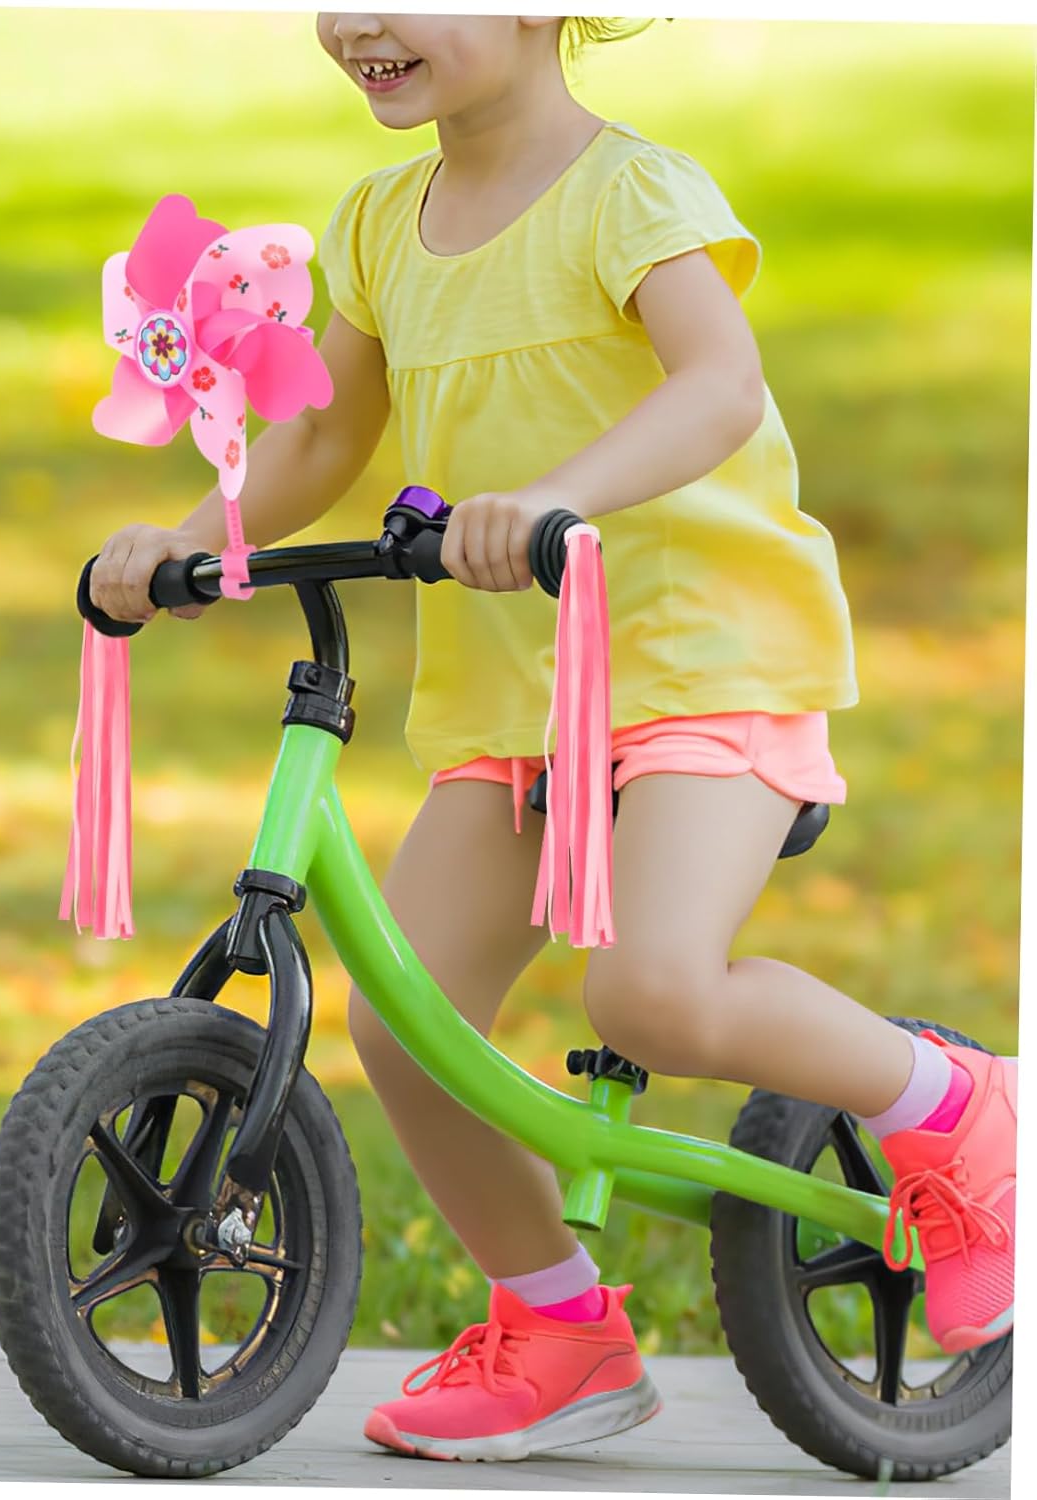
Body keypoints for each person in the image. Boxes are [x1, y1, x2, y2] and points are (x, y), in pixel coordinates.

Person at [88, 13, 1017, 1463]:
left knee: (653, 993)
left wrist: (554, 495)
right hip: (524, 692)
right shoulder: (379, 223)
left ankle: (963, 1106)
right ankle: (560, 1327)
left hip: (701, 660)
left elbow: (720, 385)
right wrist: (191, 540)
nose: (360, 24)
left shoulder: (630, 193)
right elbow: (327, 438)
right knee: (405, 1019)